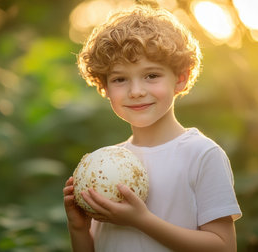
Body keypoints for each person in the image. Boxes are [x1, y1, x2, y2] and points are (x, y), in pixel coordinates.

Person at [63, 4, 241, 252]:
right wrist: (79, 229)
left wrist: (141, 220)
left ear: (180, 78)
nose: (136, 91)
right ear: (104, 87)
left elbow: (224, 246)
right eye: (120, 79)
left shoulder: (201, 154)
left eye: (151, 75)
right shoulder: (102, 166)